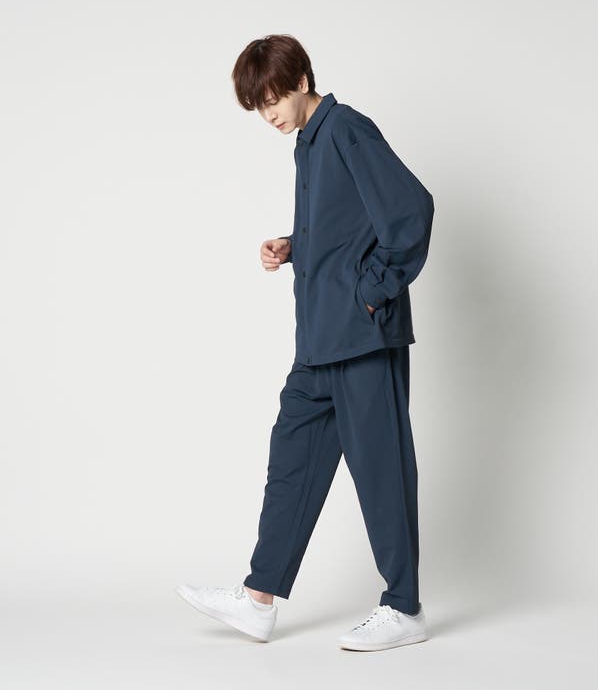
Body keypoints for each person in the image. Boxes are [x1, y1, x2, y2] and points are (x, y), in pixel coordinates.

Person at [176, 34, 434, 652]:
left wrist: (370, 293)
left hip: (360, 337)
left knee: (381, 469)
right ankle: (259, 599)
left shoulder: (346, 129)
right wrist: (294, 245)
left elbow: (411, 212)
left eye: (272, 99)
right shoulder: (308, 143)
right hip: (319, 338)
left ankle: (404, 608)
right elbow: (349, 226)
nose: (267, 114)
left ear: (300, 81)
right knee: (291, 458)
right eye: (257, 106)